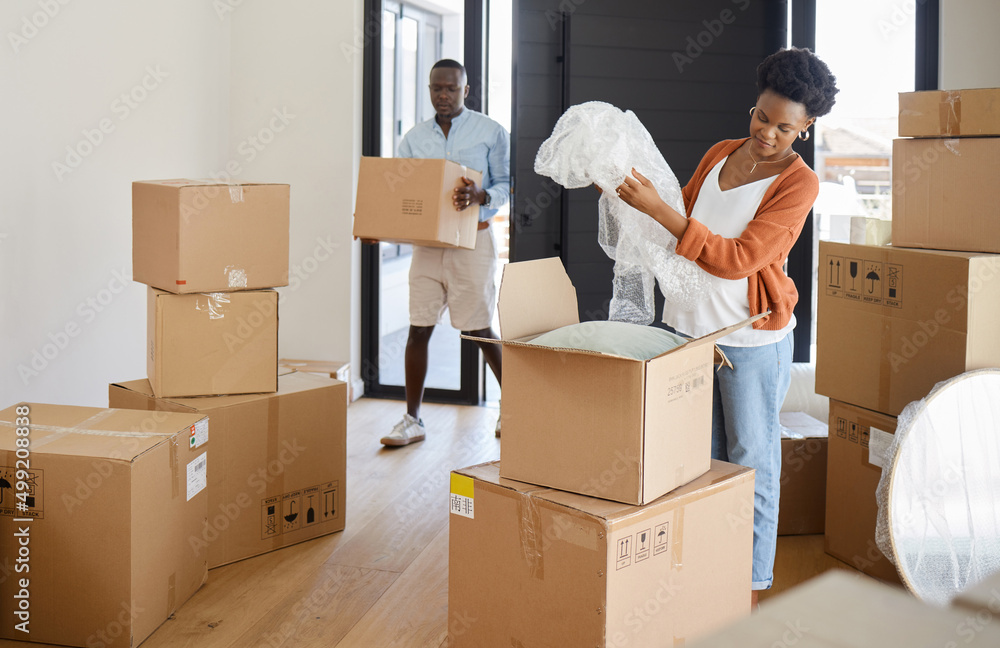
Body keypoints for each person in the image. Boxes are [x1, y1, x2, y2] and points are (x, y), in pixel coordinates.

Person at [615, 47, 838, 609]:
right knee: (699, 459)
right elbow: (681, 224)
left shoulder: (799, 184)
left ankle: (750, 586)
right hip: (689, 332)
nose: (767, 133)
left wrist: (662, 212)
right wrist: (629, 198)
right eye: (761, 117)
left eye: (784, 127)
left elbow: (739, 257)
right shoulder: (720, 152)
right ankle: (704, 574)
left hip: (750, 340)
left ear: (805, 128)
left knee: (752, 462)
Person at [378, 58, 510, 447]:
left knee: (479, 328)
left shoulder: (490, 131)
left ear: (465, 90)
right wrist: (378, 230)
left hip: (474, 241)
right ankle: (412, 420)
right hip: (427, 247)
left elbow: (506, 184)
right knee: (419, 327)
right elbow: (398, 196)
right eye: (437, 88)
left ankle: (514, 405)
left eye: (451, 88)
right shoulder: (414, 139)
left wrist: (481, 195)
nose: (443, 95)